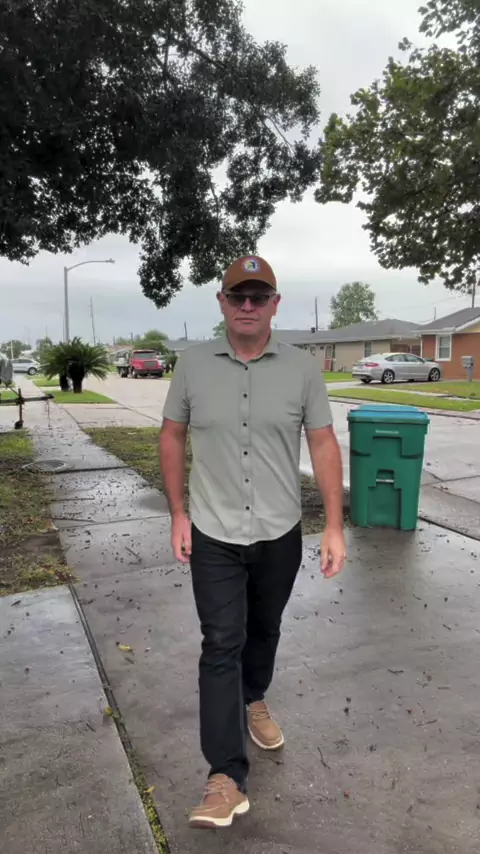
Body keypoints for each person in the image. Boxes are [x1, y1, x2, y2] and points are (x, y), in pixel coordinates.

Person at [160, 255, 346, 829]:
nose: (247, 306)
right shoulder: (192, 365)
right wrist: (178, 514)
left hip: (278, 530)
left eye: (258, 297)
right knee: (221, 642)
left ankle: (254, 697)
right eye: (237, 296)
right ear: (221, 302)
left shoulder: (303, 369)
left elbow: (322, 443)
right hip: (213, 531)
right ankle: (225, 777)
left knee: (264, 629)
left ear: (274, 305)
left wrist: (334, 526)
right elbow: (172, 436)